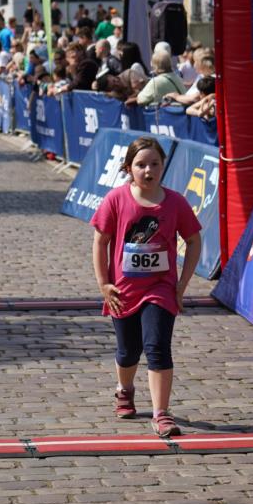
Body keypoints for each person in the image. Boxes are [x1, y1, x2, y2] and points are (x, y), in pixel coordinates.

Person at [91, 137, 202, 437]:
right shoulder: (116, 199)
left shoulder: (176, 202)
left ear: (164, 166)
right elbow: (100, 243)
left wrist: (181, 286)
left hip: (161, 289)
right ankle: (124, 389)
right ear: (129, 168)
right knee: (128, 351)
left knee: (157, 347)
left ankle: (161, 413)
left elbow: (193, 241)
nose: (149, 170)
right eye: (141, 165)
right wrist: (104, 284)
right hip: (123, 291)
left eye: (155, 164)